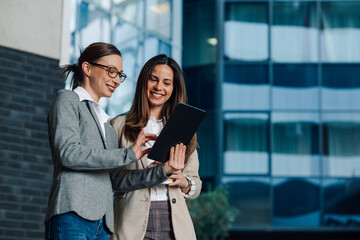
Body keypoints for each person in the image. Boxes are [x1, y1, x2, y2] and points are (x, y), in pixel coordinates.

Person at [44, 43, 185, 240]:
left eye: (120, 74)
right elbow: (68, 153)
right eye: (111, 71)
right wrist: (129, 154)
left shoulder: (107, 125)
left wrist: (163, 171)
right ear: (87, 68)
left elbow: (116, 180)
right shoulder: (68, 99)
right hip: (72, 215)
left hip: (103, 225)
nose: (117, 80)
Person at [111, 54, 202, 240]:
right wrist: (159, 172)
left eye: (167, 83)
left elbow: (196, 182)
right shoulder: (119, 126)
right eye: (153, 79)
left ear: (174, 89)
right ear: (144, 81)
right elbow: (114, 181)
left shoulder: (185, 130)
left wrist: (184, 182)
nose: (159, 87)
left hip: (175, 223)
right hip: (132, 223)